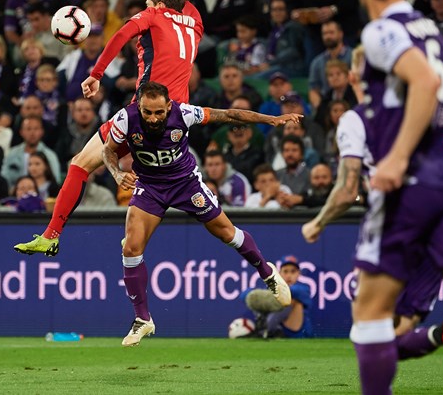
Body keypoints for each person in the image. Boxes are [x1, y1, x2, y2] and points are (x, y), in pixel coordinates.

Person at [302, 0, 443, 392]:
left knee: (367, 316)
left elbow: (423, 81)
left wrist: (401, 157)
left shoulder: (379, 33)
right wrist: (428, 144)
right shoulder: (432, 29)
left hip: (408, 187)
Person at [14, 0, 203, 256]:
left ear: (160, 7)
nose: (146, 9)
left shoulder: (153, 16)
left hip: (143, 112)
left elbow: (120, 35)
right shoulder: (196, 24)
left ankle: (51, 235)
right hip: (178, 119)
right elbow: (186, 6)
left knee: (80, 164)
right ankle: (134, 241)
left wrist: (96, 74)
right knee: (156, 182)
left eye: (150, 4)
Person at [101, 81, 298, 346]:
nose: (153, 118)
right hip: (150, 186)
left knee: (227, 234)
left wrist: (269, 119)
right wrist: (116, 173)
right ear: (139, 106)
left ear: (168, 106)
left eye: (159, 112)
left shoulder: (184, 113)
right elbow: (108, 151)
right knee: (131, 248)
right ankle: (142, 319)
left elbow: (229, 115)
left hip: (185, 184)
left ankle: (268, 274)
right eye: (148, 112)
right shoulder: (126, 119)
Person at [243, 255, 313, 338]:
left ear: (298, 273)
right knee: (258, 299)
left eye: (293, 271)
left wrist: (274, 293)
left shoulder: (304, 289)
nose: (289, 275)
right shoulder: (272, 288)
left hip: (299, 334)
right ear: (279, 273)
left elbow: (294, 291)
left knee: (287, 299)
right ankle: (265, 330)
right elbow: (244, 295)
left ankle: (267, 330)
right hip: (279, 331)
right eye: (285, 271)